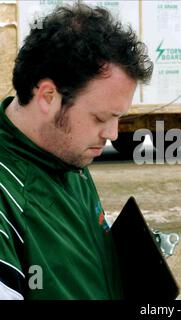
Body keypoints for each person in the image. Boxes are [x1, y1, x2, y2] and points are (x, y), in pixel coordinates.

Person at [0, 3, 152, 299]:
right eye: (100, 118)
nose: (111, 134)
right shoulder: (8, 195)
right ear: (48, 96)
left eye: (118, 118)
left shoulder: (65, 155)